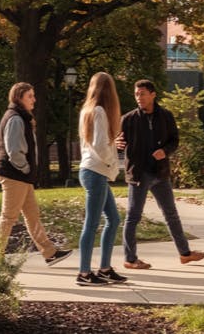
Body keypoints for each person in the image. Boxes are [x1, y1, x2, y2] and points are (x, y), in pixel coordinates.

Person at [120, 79, 204, 270]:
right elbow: (119, 141)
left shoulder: (166, 116)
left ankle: (185, 254)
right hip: (139, 174)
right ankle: (130, 258)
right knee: (133, 217)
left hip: (160, 173)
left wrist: (165, 151)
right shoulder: (128, 119)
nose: (139, 98)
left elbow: (174, 140)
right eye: (136, 94)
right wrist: (117, 143)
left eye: (142, 94)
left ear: (152, 95)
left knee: (171, 215)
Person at [0, 82, 73, 266]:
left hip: (20, 175)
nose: (34, 100)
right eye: (30, 96)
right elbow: (14, 150)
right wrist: (26, 168)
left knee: (32, 215)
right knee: (8, 217)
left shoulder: (20, 117)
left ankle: (49, 252)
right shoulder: (15, 118)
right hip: (15, 174)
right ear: (19, 97)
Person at [75, 72, 128, 286]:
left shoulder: (87, 110)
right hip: (96, 172)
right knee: (91, 224)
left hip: (93, 171)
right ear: (109, 90)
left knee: (113, 219)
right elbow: (99, 146)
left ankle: (104, 269)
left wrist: (112, 143)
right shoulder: (98, 111)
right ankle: (84, 273)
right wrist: (114, 146)